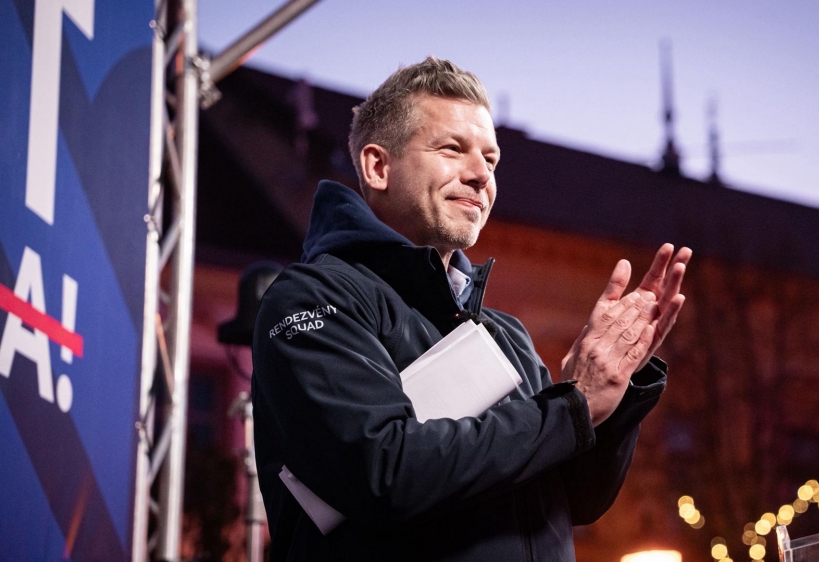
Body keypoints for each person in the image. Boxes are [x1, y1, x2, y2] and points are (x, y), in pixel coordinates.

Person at [251, 56, 691, 562]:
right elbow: (383, 471)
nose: (482, 176)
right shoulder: (313, 299)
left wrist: (611, 389)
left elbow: (575, 498)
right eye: (452, 149)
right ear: (378, 167)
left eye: (491, 160)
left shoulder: (505, 333)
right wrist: (571, 407)